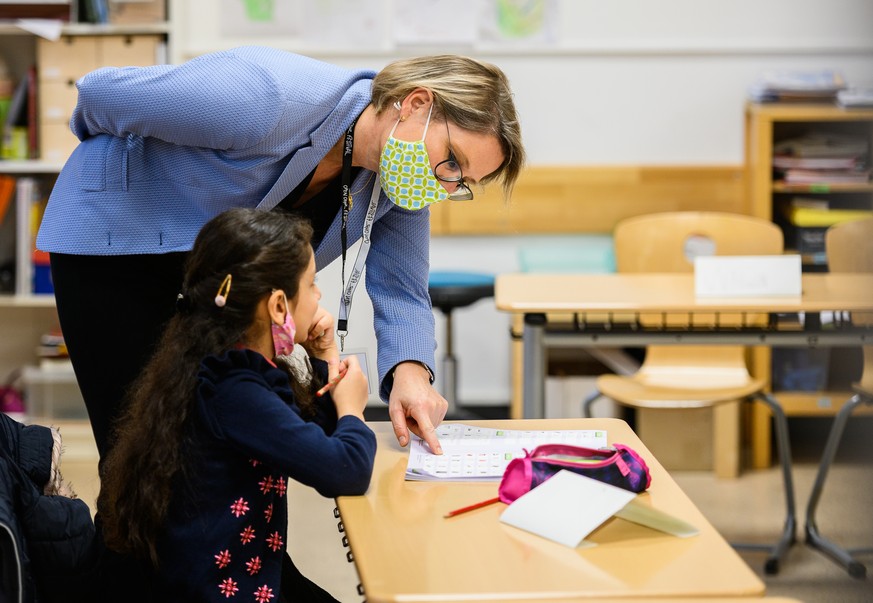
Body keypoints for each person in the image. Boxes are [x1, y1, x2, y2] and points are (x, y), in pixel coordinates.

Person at [36, 47, 525, 462]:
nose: (446, 184)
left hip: (213, 283)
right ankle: (126, 570)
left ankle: (238, 569)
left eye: (463, 183)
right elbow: (100, 94)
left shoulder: (398, 185)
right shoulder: (269, 99)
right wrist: (113, 170)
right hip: (116, 244)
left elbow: (401, 289)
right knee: (139, 451)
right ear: (417, 103)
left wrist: (411, 375)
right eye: (452, 161)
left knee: (219, 450)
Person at [96, 208, 376, 601]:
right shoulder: (235, 393)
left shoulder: (231, 367)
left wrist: (326, 354)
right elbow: (344, 470)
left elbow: (317, 433)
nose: (318, 296)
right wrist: (355, 409)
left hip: (245, 576)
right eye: (311, 284)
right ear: (279, 306)